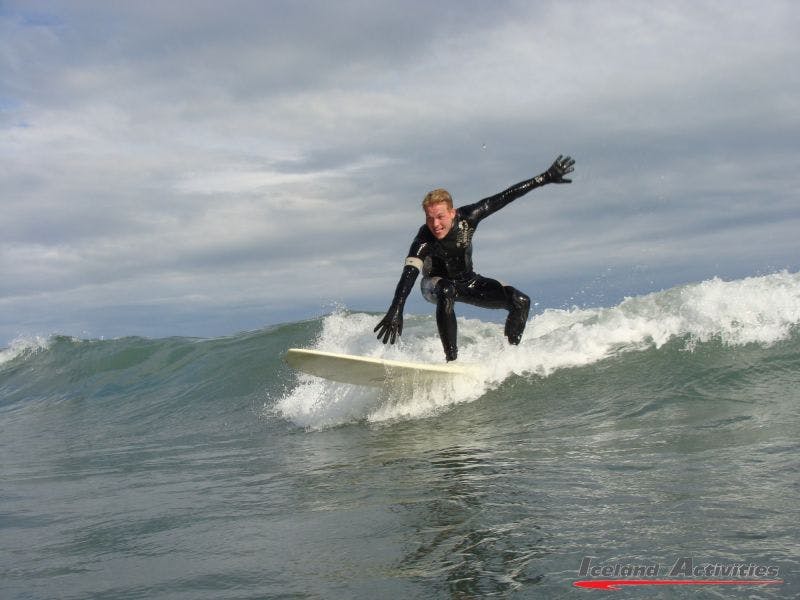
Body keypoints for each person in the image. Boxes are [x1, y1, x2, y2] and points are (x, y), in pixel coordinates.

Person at [374, 155, 575, 361]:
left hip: (468, 281)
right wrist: (396, 309)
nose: (435, 224)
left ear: (452, 213)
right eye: (429, 218)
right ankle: (451, 360)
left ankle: (509, 357)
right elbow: (409, 275)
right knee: (446, 289)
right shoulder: (423, 239)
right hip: (434, 286)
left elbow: (505, 196)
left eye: (440, 216)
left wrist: (544, 178)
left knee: (520, 301)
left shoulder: (469, 218)